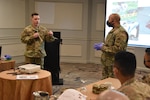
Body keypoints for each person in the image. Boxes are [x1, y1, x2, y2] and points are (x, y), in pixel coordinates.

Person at [94, 13, 129, 79]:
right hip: (108, 62)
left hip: (114, 63)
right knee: (105, 81)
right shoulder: (114, 30)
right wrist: (103, 45)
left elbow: (118, 49)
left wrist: (102, 47)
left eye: (109, 19)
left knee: (113, 82)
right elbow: (110, 44)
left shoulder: (120, 32)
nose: (108, 21)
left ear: (114, 21)